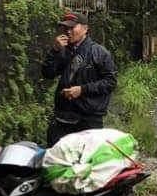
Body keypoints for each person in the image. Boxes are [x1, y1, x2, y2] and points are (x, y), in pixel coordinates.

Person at [41, 11, 118, 146]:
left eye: (72, 27)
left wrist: (82, 90)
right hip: (63, 116)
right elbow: (48, 73)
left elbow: (110, 82)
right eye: (65, 28)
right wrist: (54, 51)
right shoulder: (62, 51)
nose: (68, 31)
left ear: (85, 29)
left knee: (86, 160)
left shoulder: (99, 52)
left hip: (88, 118)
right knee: (57, 157)